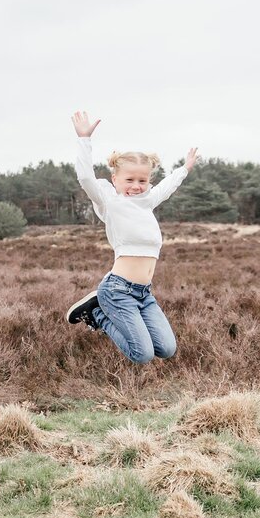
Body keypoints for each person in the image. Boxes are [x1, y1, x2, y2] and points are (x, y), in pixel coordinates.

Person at [64, 110, 197, 364]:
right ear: (115, 179)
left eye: (142, 180)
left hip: (144, 292)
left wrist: (184, 169)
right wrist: (84, 140)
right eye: (129, 179)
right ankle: (97, 313)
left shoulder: (146, 203)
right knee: (142, 355)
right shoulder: (110, 202)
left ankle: (100, 309)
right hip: (117, 290)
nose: (136, 185)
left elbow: (166, 187)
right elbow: (85, 177)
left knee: (167, 349)